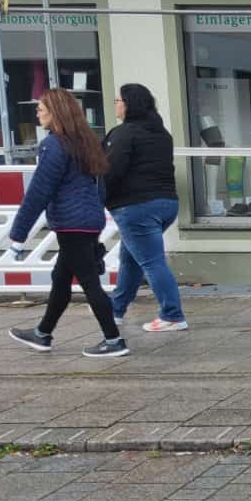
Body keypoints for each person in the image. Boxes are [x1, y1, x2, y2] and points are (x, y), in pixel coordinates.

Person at [6, 89, 127, 359]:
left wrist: (18, 234)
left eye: (41, 108)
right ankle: (42, 334)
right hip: (87, 221)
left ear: (56, 112)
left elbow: (39, 191)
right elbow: (100, 187)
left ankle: (114, 339)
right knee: (60, 278)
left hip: (71, 223)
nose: (37, 113)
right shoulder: (86, 142)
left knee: (89, 284)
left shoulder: (54, 145)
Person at [103, 83, 187, 333]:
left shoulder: (123, 134)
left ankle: (172, 314)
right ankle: (115, 309)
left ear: (129, 104)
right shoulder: (162, 134)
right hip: (166, 204)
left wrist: (98, 197)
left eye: (118, 100)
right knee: (130, 259)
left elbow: (111, 171)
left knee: (151, 261)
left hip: (135, 207)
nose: (116, 105)